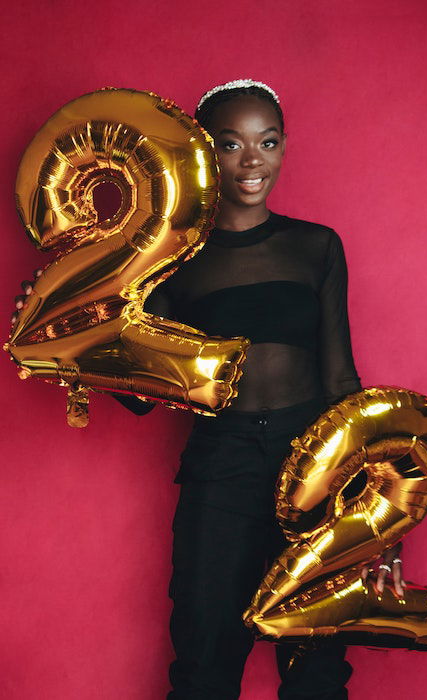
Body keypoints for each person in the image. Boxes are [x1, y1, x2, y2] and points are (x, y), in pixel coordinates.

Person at [12, 79, 404, 699]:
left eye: (268, 142)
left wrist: (373, 518)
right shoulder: (173, 260)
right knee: (203, 657)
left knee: (319, 664)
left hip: (317, 465)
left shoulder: (316, 247)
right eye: (230, 144)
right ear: (201, 153)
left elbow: (340, 380)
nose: (253, 161)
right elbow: (146, 394)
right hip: (222, 467)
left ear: (282, 147)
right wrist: (89, 345)